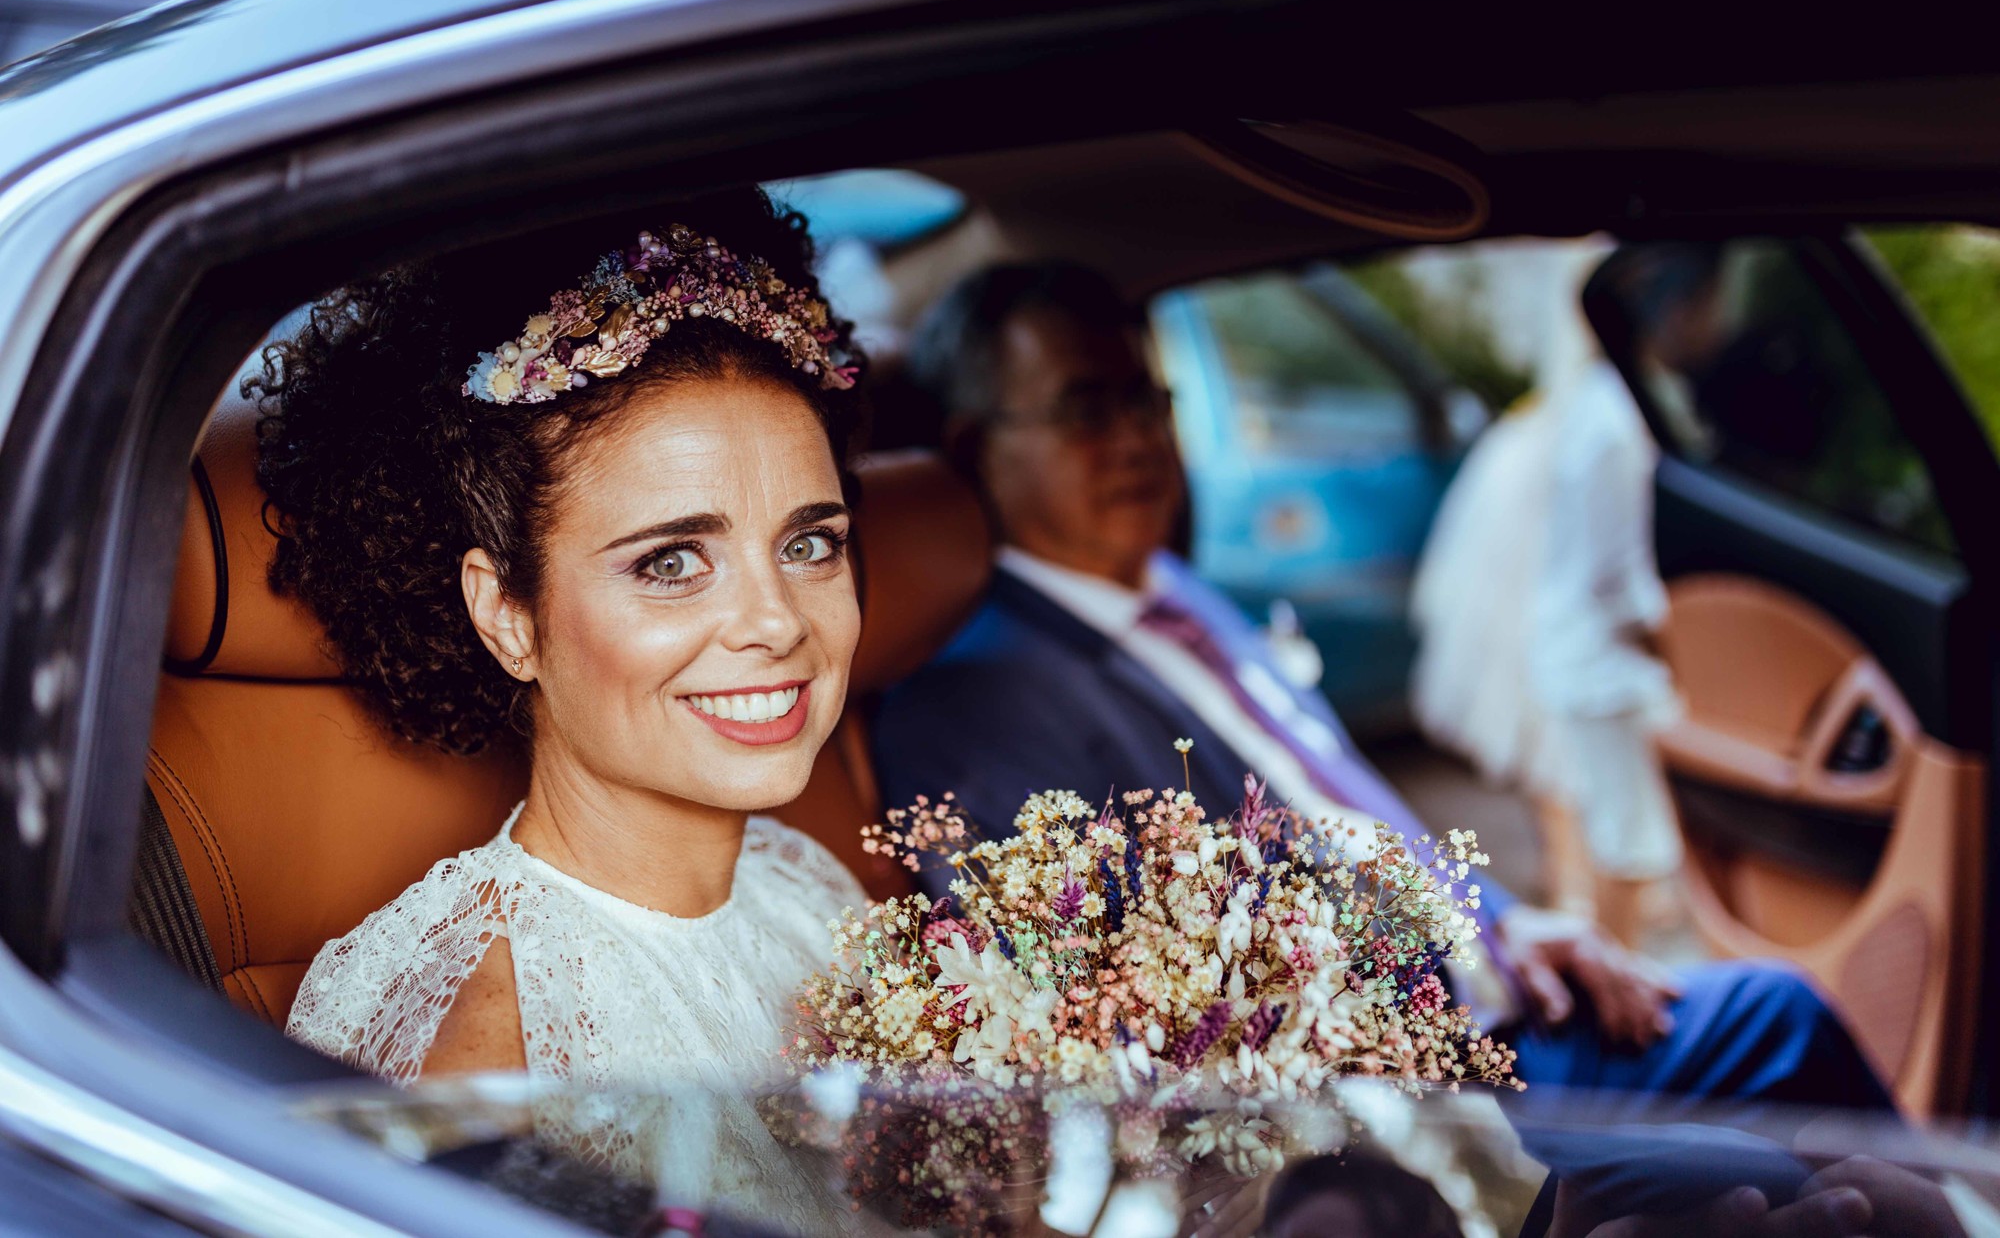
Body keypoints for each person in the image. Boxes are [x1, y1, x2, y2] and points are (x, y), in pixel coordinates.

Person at [875, 261, 1895, 1118]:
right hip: (1408, 1101)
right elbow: (1145, 1021)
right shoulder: (970, 707)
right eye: (1087, 409)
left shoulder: (1172, 591)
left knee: (1784, 1044)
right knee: (1782, 1019)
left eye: (1149, 399)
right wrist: (1460, 969)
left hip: (1482, 1001)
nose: (1141, 436)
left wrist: (1497, 917)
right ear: (973, 446)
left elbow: (1341, 803)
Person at [267, 189, 870, 1226]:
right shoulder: (496, 1040)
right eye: (672, 561)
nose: (775, 622)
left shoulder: (796, 882)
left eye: (808, 543)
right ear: (507, 614)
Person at [1411, 243, 1694, 946]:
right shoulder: (1613, 427)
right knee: (1625, 835)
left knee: (1603, 815)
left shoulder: (1589, 413)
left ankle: (1595, 928)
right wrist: (1678, 642)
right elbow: (1615, 573)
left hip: (1577, 652)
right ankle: (1614, 958)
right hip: (1598, 661)